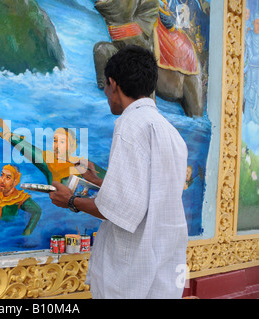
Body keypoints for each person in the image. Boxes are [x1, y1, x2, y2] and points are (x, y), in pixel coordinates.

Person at [49, 45, 189, 298]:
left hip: (132, 274)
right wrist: (100, 181)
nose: (105, 93)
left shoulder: (130, 125)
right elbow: (149, 194)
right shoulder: (171, 133)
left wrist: (70, 200)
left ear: (113, 84)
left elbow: (117, 209)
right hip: (164, 268)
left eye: (105, 86)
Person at [0, 116, 106, 185]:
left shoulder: (86, 166)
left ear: (73, 145)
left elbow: (110, 183)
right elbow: (28, 149)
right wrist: (8, 135)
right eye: (55, 141)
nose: (56, 146)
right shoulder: (50, 162)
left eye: (62, 142)